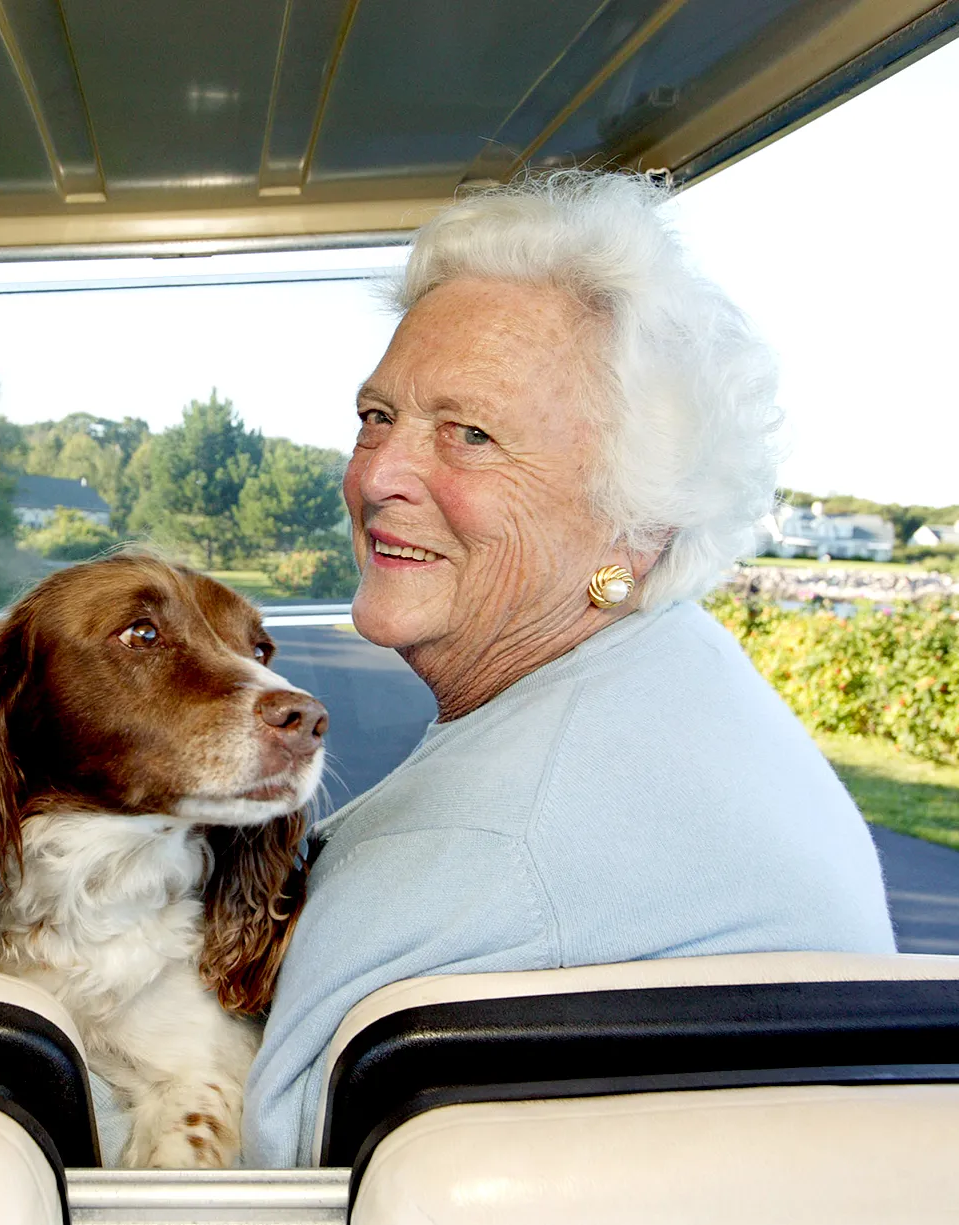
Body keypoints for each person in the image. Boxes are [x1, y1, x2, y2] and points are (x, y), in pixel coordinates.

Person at [243, 171, 896, 1166]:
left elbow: (262, 1174)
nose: (376, 475)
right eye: (377, 416)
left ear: (635, 524)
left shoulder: (489, 841)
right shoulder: (685, 674)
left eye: (470, 435)